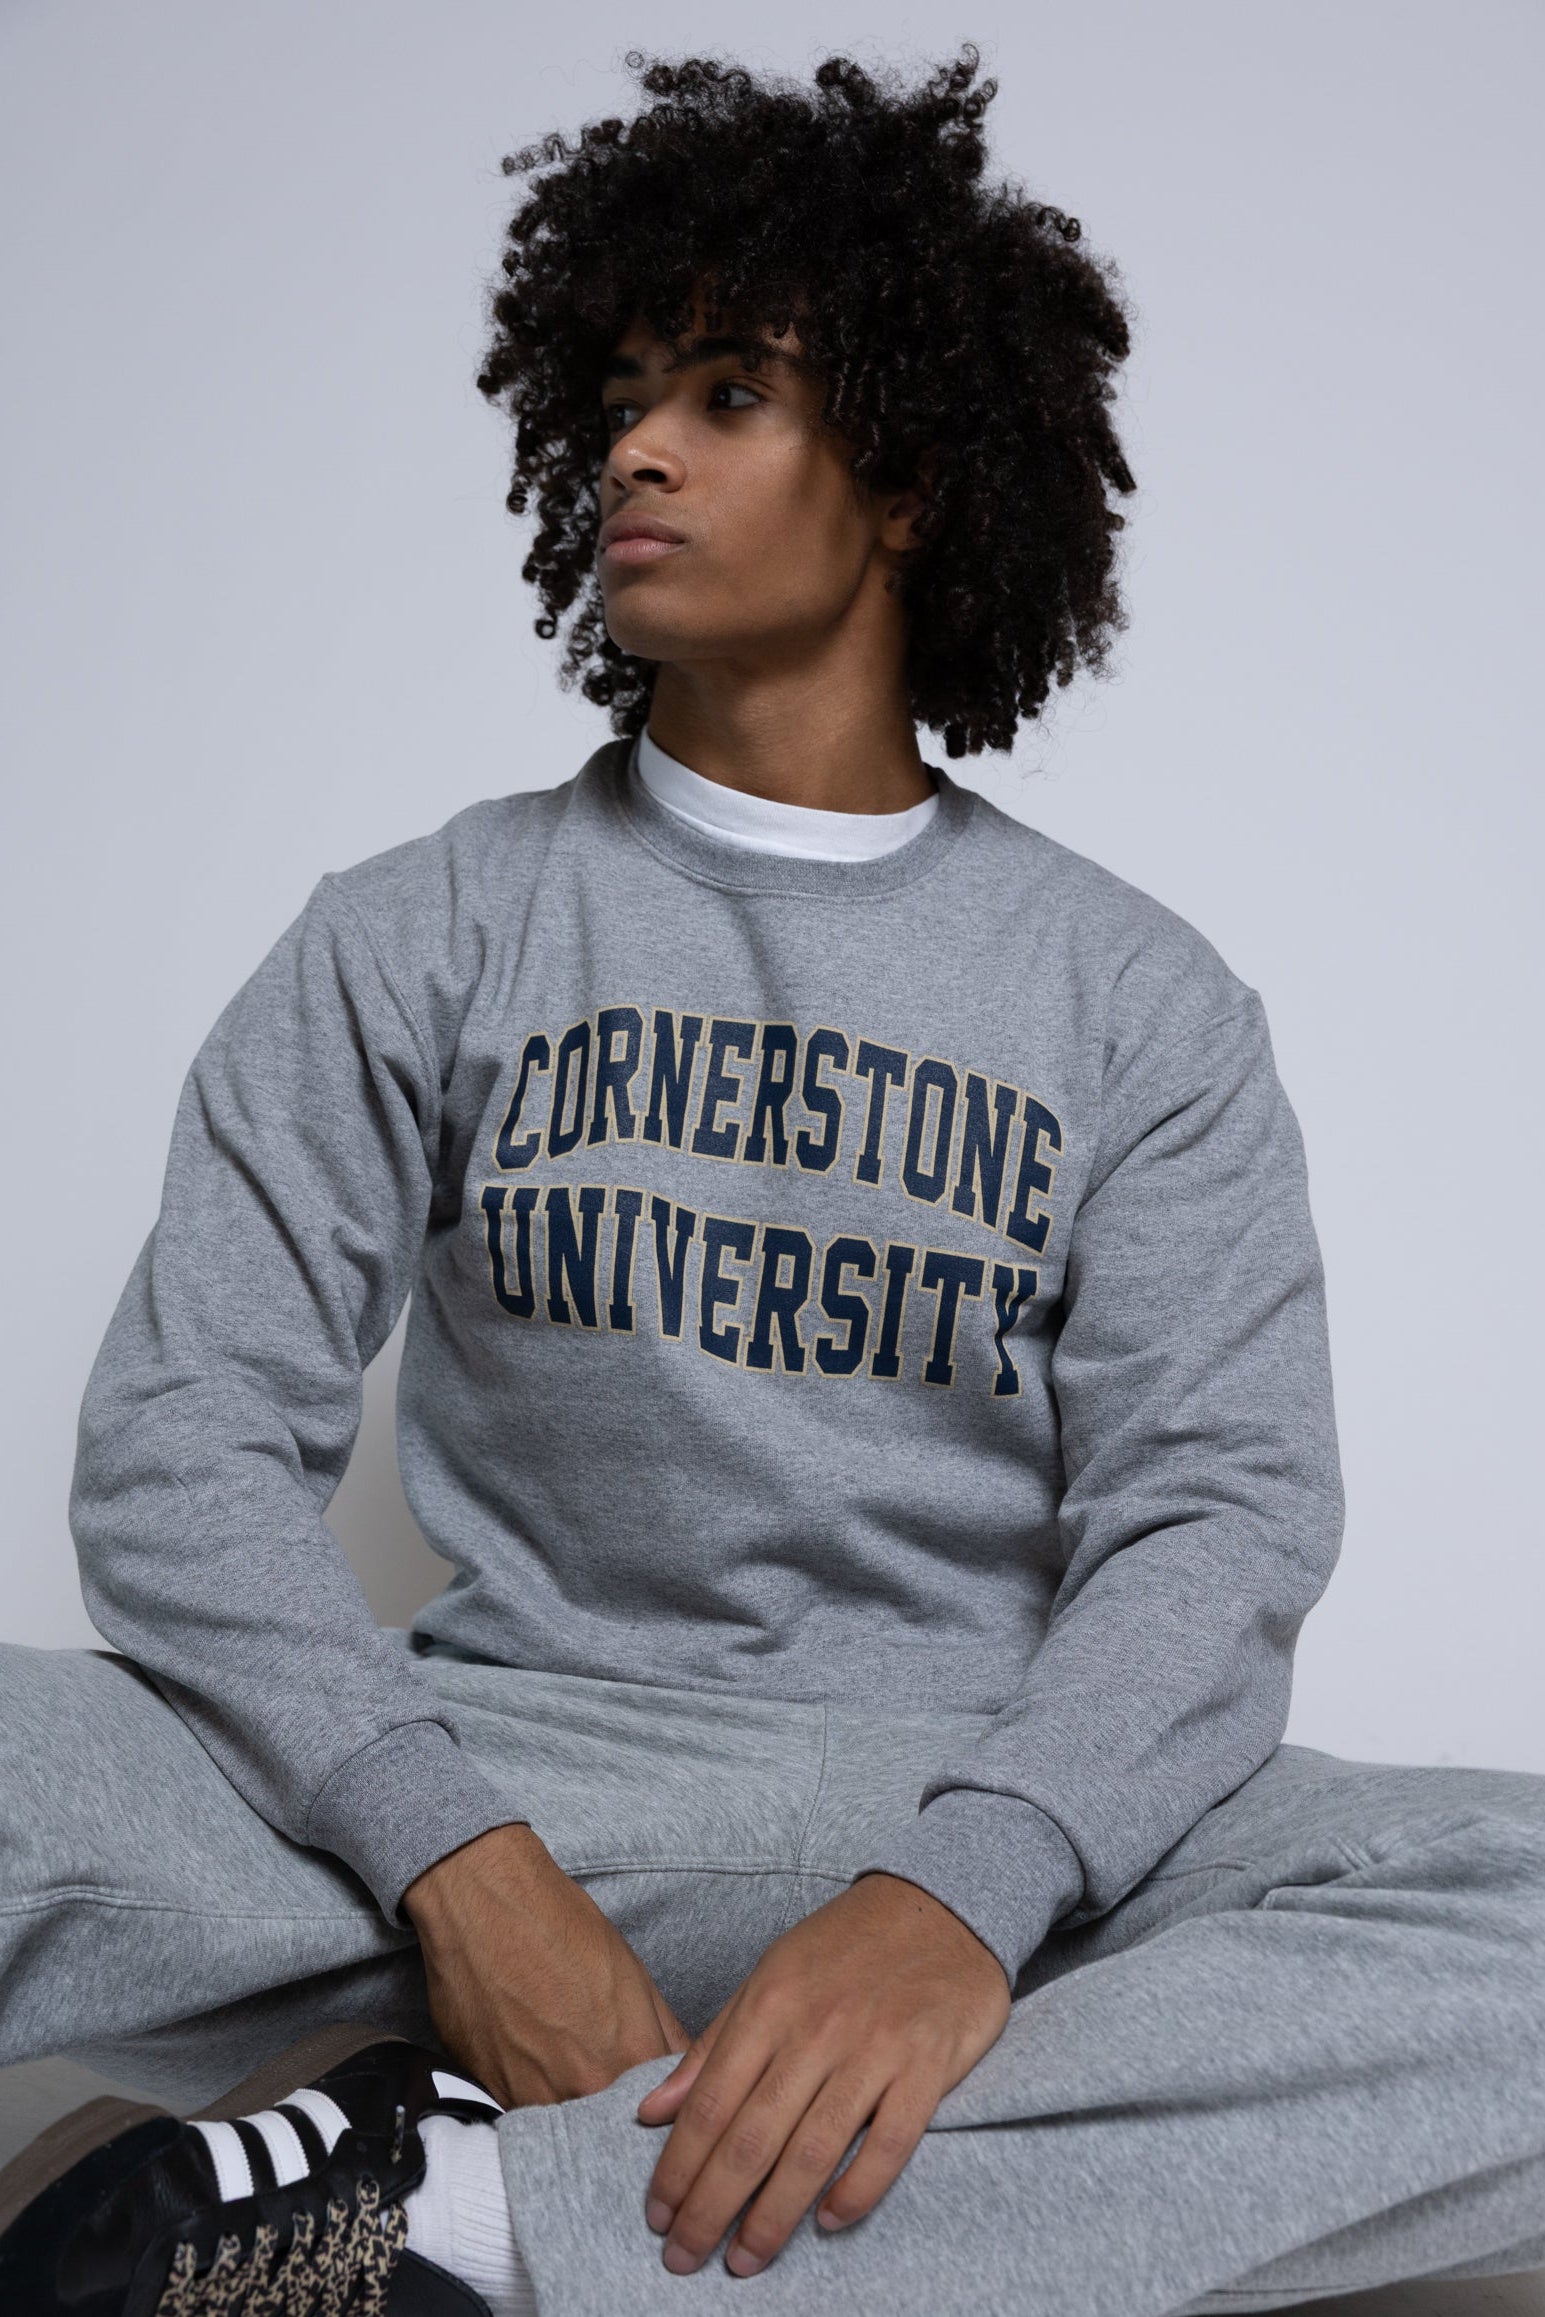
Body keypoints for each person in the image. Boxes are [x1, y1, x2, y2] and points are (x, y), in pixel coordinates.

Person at [2, 42, 1543, 2317]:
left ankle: (462, 2219)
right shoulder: (418, 928)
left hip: (981, 1818)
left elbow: (1214, 1516)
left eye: (725, 392)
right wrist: (465, 1868)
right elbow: (176, 1448)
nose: (635, 443)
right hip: (499, 1767)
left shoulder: (1135, 998)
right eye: (620, 392)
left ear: (907, 476)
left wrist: (959, 1894)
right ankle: (637, 2144)